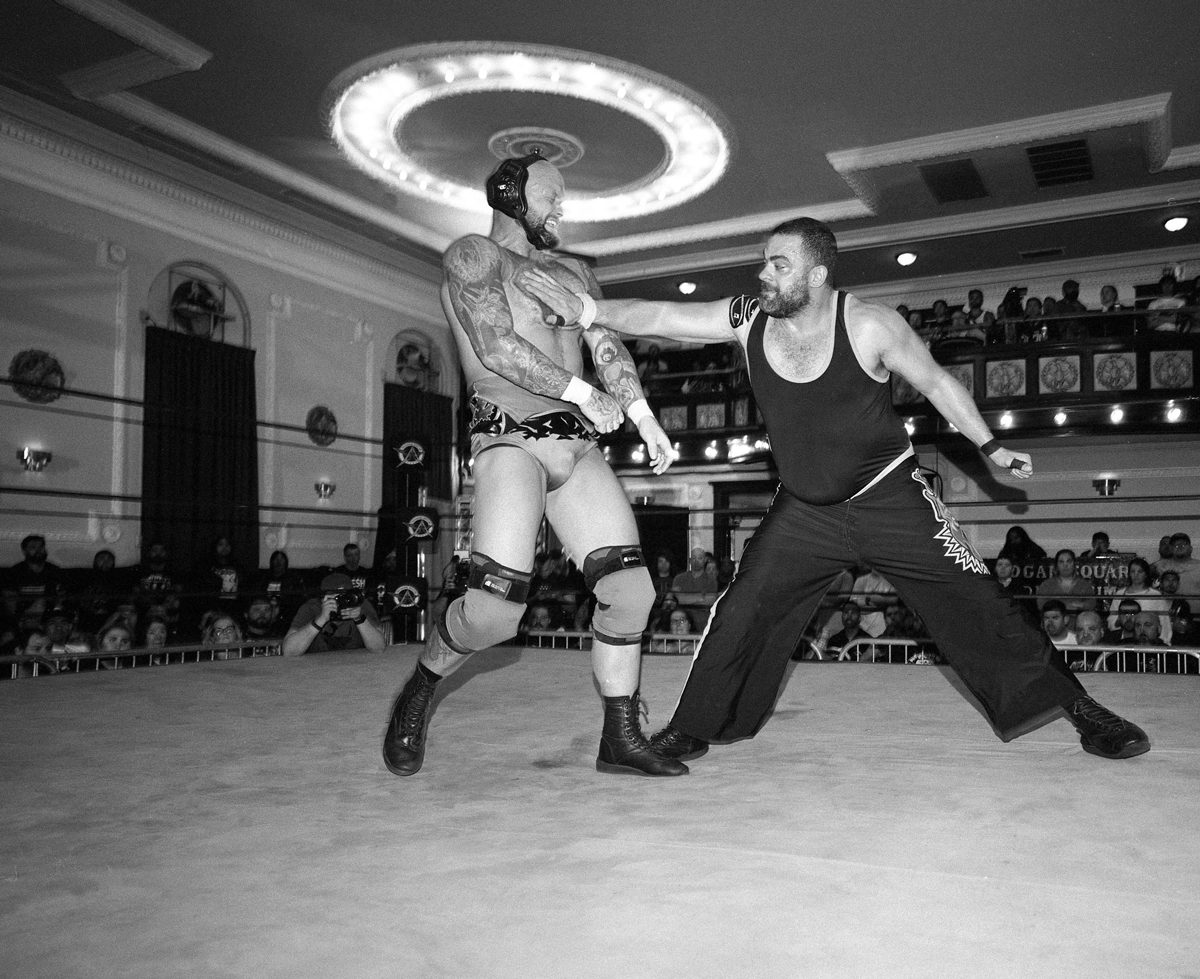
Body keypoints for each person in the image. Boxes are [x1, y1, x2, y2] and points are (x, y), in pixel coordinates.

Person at [523, 215, 1149, 761]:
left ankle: (1080, 708)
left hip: (890, 497)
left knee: (978, 600)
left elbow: (936, 384)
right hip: (804, 511)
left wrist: (990, 447)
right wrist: (588, 312)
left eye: (778, 263)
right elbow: (665, 316)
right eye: (764, 261)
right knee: (741, 610)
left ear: (816, 276)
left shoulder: (871, 326)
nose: (763, 274)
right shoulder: (747, 320)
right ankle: (692, 728)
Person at [381, 151, 685, 779]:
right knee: (493, 612)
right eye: (552, 195)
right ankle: (420, 686)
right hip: (509, 436)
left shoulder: (572, 271)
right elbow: (494, 345)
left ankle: (620, 737)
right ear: (513, 196)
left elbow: (604, 343)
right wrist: (582, 394)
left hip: (578, 445)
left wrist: (644, 415)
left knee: (631, 591)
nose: (561, 208)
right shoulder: (473, 255)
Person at [283, 572, 386, 656]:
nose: (341, 602)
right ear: (323, 598)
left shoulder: (360, 605)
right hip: (316, 669)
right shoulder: (311, 608)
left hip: (354, 667)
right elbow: (289, 651)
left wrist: (360, 620)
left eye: (344, 596)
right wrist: (321, 619)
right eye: (336, 598)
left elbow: (379, 647)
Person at [1035, 549, 1097, 619]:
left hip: (1078, 625)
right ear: (1056, 565)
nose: (1065, 565)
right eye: (1061, 562)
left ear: (1074, 564)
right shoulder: (1046, 585)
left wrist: (1082, 605)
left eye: (1069, 561)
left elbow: (1092, 603)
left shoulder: (1084, 585)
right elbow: (1041, 605)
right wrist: (1065, 606)